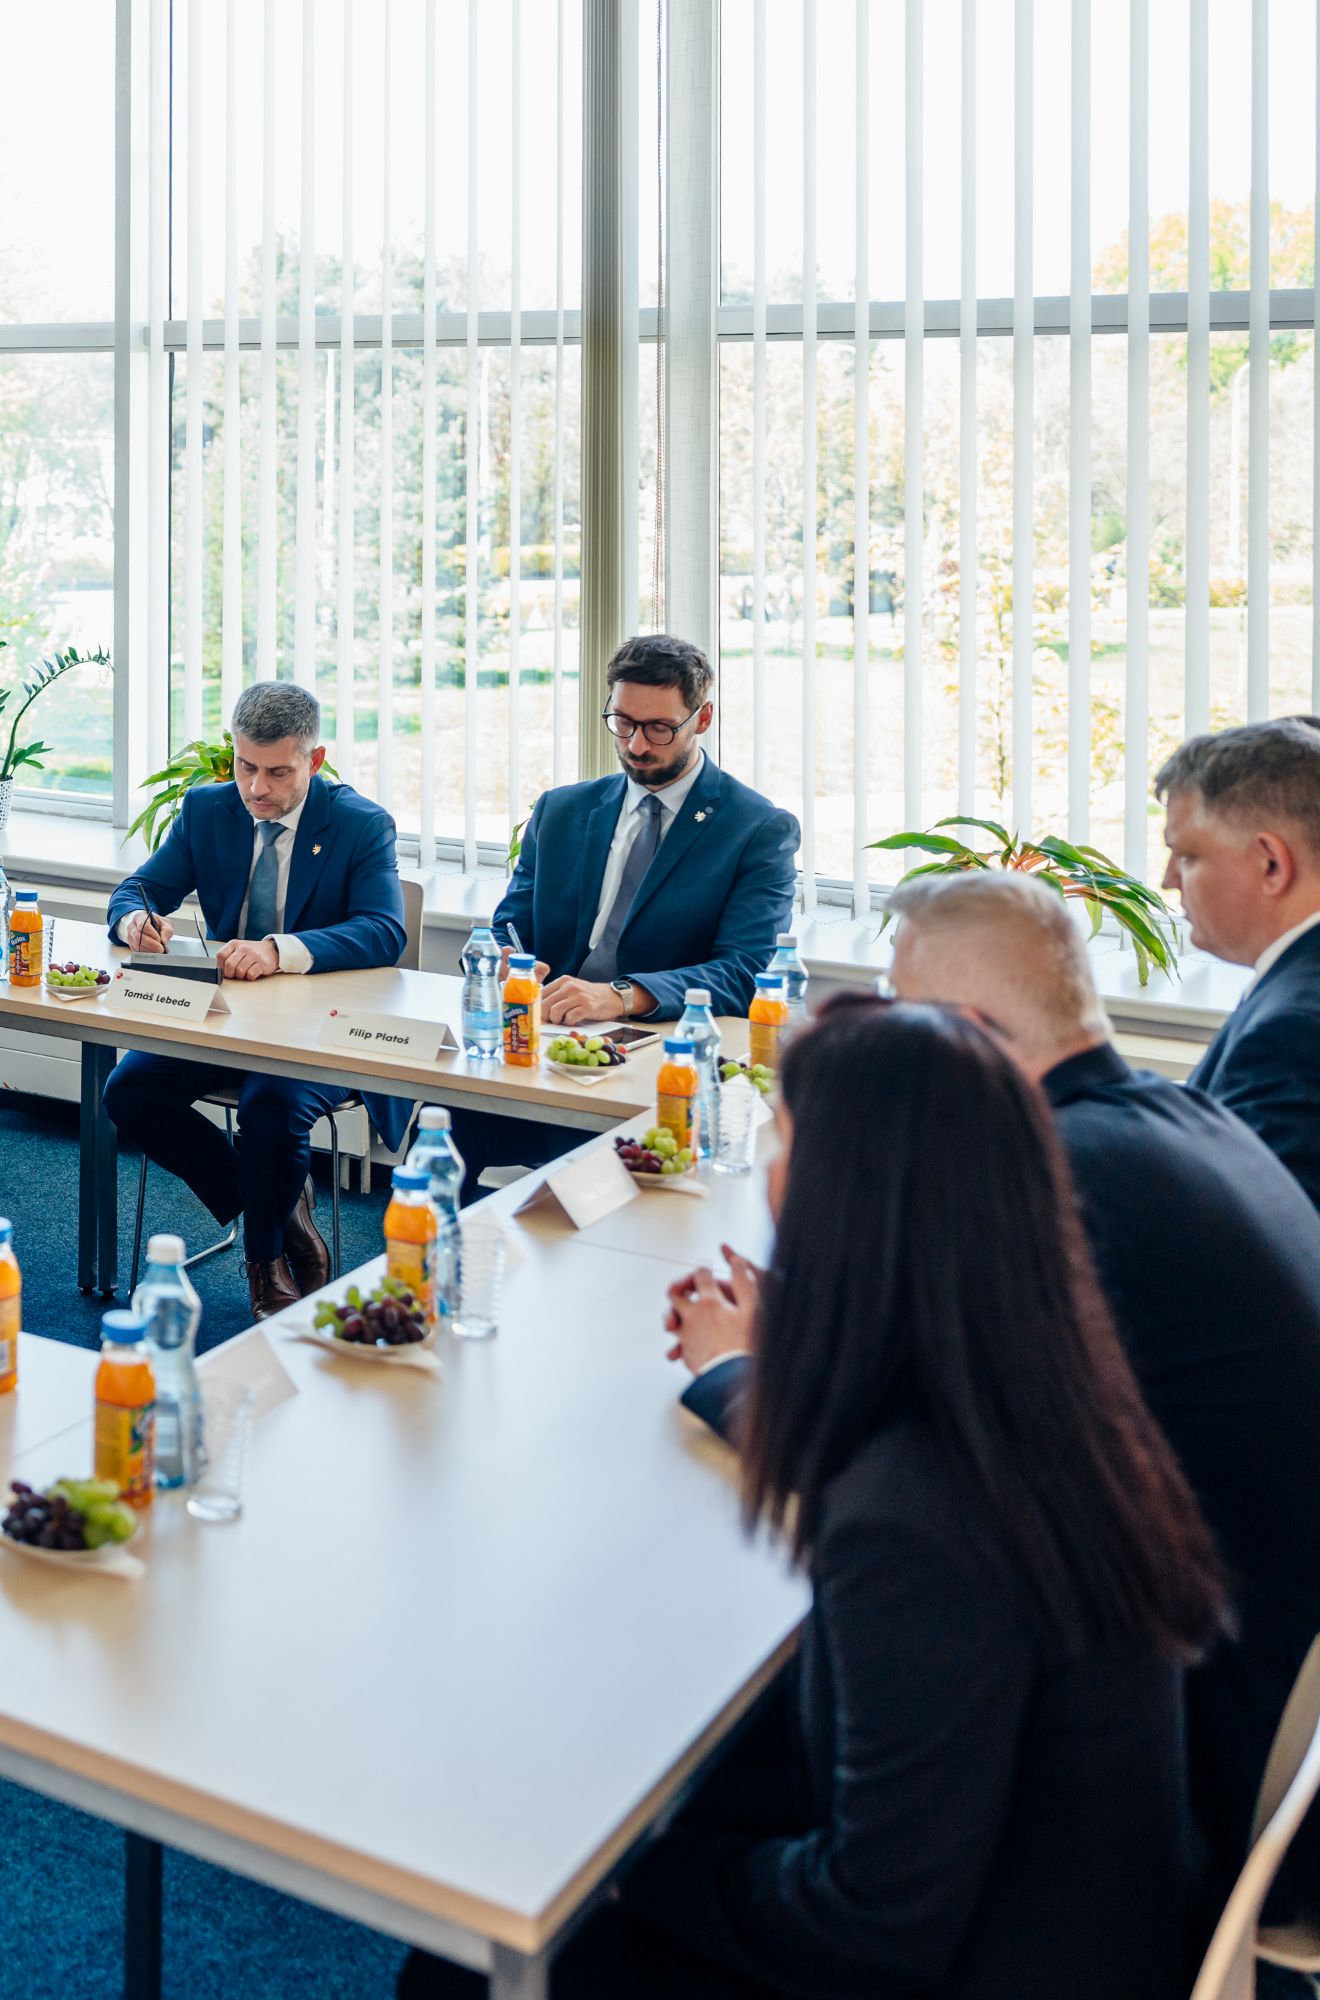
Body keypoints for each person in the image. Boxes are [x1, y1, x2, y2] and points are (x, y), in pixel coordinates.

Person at [410, 999, 1226, 1998]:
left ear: (846, 1196)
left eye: (786, 1143)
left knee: (459, 1964)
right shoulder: (1041, 1382)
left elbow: (869, 1931)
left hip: (967, 1958)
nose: (770, 1172)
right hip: (1061, 1907)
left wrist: (623, 1874)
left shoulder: (914, 1519)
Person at [753, 869, 1320, 1919]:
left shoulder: (1070, 1182)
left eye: (898, 1014)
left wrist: (745, 1369)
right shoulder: (1173, 1117)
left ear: (963, 1038)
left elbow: (919, 1446)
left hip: (1197, 1760)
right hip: (1218, 1670)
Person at [102, 681, 406, 1320]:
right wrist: (135, 922)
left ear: (314, 761)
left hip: (320, 1031)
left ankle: (263, 1261)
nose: (256, 788)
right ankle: (281, 1212)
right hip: (227, 1022)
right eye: (245, 767)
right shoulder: (208, 810)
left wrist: (279, 949)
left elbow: (384, 931)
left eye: (277, 772)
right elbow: (137, 889)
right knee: (128, 1091)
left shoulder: (361, 824)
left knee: (271, 1105)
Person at [459, 634, 799, 1192]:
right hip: (546, 1044)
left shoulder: (756, 828)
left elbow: (747, 972)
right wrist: (500, 961)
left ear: (702, 718)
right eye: (623, 723)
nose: (637, 745)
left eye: (659, 728)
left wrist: (621, 995)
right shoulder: (563, 810)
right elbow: (512, 925)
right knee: (443, 1127)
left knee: (588, 1186)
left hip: (659, 1060)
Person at [1160, 715, 1320, 1212]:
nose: (1168, 880)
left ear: (1271, 863)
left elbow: (1271, 1240)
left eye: (1188, 856)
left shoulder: (1290, 1033)